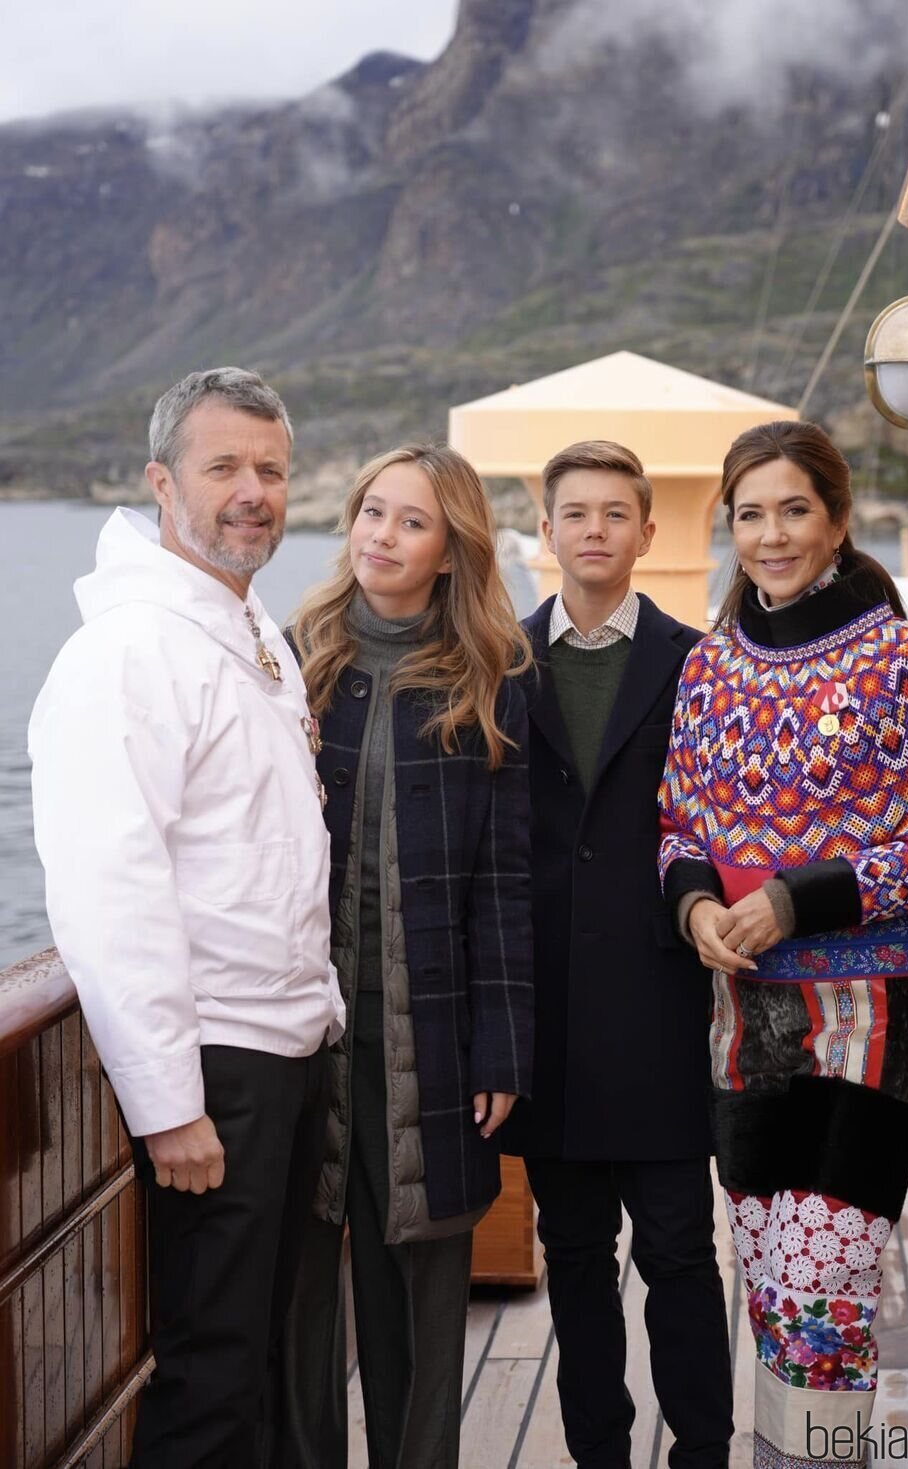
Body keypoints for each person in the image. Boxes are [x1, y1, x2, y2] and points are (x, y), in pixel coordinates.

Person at [28, 368, 345, 1469]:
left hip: (287, 1046)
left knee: (263, 1357)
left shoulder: (242, 624)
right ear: (161, 482)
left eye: (271, 469)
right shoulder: (126, 653)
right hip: (216, 1072)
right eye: (224, 468)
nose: (253, 491)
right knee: (211, 1371)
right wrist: (169, 1105)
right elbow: (111, 891)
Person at [658, 420, 908, 1469]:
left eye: (792, 508)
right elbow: (678, 825)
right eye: (748, 512)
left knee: (820, 1293)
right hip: (743, 1020)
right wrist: (697, 906)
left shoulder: (896, 656)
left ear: (835, 519)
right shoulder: (708, 667)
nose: (769, 533)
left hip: (871, 1015)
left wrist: (800, 899)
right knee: (771, 1291)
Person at [273, 443, 534, 1469]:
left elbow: (505, 875)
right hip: (304, 1018)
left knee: (422, 1281)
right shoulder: (297, 650)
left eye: (409, 521)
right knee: (300, 1276)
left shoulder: (493, 674)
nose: (380, 534)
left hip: (431, 1022)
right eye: (370, 511)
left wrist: (503, 1049)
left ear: (450, 547)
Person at [500, 440, 733, 1469]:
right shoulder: (494, 661)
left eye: (613, 512)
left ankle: (701, 1450)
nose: (593, 528)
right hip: (543, 1011)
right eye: (573, 512)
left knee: (681, 1248)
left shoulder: (696, 658)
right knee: (573, 1254)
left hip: (660, 1004)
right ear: (544, 531)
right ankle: (597, 1450)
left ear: (647, 530)